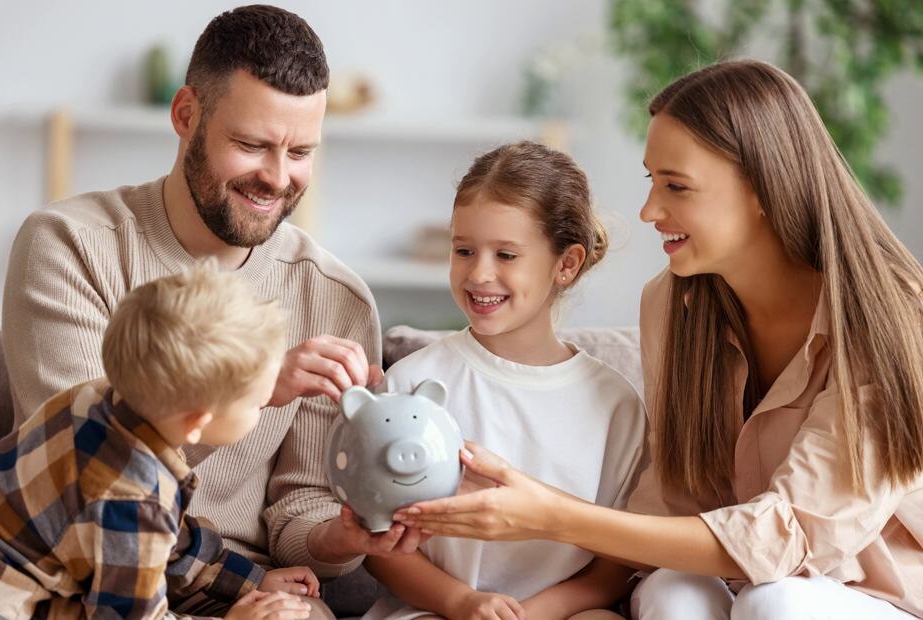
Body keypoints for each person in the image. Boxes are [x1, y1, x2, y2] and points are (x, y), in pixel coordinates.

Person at [391, 60, 923, 619]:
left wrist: (547, 514)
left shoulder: (889, 313)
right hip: (740, 585)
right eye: (652, 181)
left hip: (868, 597)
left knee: (778, 603)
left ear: (763, 187)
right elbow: (672, 504)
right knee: (673, 592)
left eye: (676, 186)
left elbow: (787, 536)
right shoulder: (675, 304)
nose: (648, 211)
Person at [1, 5, 424, 617]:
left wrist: (344, 535)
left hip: (240, 586)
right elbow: (80, 465)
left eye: (301, 151)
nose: (278, 179)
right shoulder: (69, 245)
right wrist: (250, 385)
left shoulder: (335, 296)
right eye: (252, 145)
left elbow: (297, 512)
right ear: (185, 115)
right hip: (83, 575)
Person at [0, 264, 322, 618]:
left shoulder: (98, 398)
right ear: (198, 422)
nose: (266, 405)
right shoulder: (129, 501)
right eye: (257, 401)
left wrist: (251, 582)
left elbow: (170, 543)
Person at [363, 142, 647, 620]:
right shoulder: (415, 381)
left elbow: (613, 563)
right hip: (432, 610)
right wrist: (463, 602)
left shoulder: (614, 404)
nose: (480, 273)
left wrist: (532, 613)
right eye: (464, 250)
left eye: (507, 255)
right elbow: (378, 544)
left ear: (567, 264)